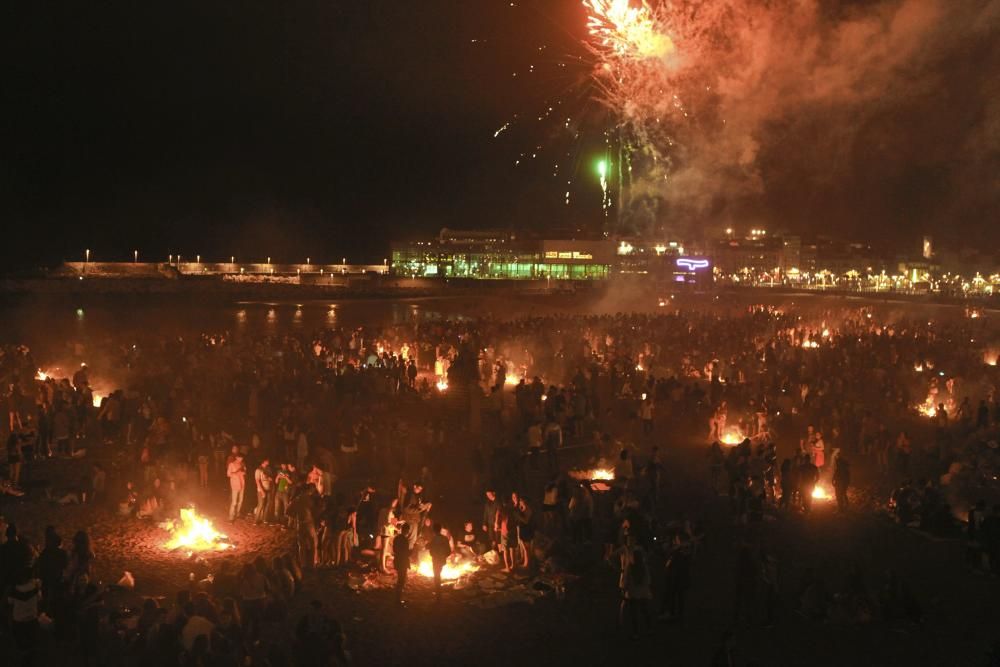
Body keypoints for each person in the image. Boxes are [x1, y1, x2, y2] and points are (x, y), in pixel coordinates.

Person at [428, 522, 452, 601]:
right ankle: (438, 594)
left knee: (437, 576)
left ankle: (438, 595)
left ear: (434, 530)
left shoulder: (434, 539)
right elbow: (448, 551)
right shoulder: (444, 538)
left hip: (436, 560)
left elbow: (429, 548)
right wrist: (444, 555)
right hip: (442, 560)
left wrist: (432, 553)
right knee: (438, 574)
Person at [393, 523, 411, 605]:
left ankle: (398, 597)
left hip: (397, 560)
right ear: (406, 530)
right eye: (408, 530)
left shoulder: (396, 538)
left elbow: (394, 549)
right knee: (401, 580)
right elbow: (406, 553)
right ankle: (397, 599)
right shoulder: (404, 540)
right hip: (402, 562)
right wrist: (412, 551)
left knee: (400, 580)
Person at [254, 458, 274, 525]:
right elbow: (257, 481)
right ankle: (256, 520)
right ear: (263, 462)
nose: (268, 462)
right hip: (261, 490)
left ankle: (265, 519)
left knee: (268, 504)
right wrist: (262, 491)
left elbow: (271, 478)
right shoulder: (258, 470)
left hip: (268, 489)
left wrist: (270, 479)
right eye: (267, 461)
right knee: (261, 504)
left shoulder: (268, 469)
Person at [228, 454, 247, 522]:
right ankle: (231, 517)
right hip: (235, 485)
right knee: (234, 502)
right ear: (236, 457)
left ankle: (237, 514)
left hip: (242, 484)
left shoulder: (242, 464)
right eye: (239, 458)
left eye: (242, 458)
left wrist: (243, 471)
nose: (241, 459)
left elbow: (244, 472)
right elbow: (228, 474)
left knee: (240, 501)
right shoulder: (231, 464)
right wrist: (236, 472)